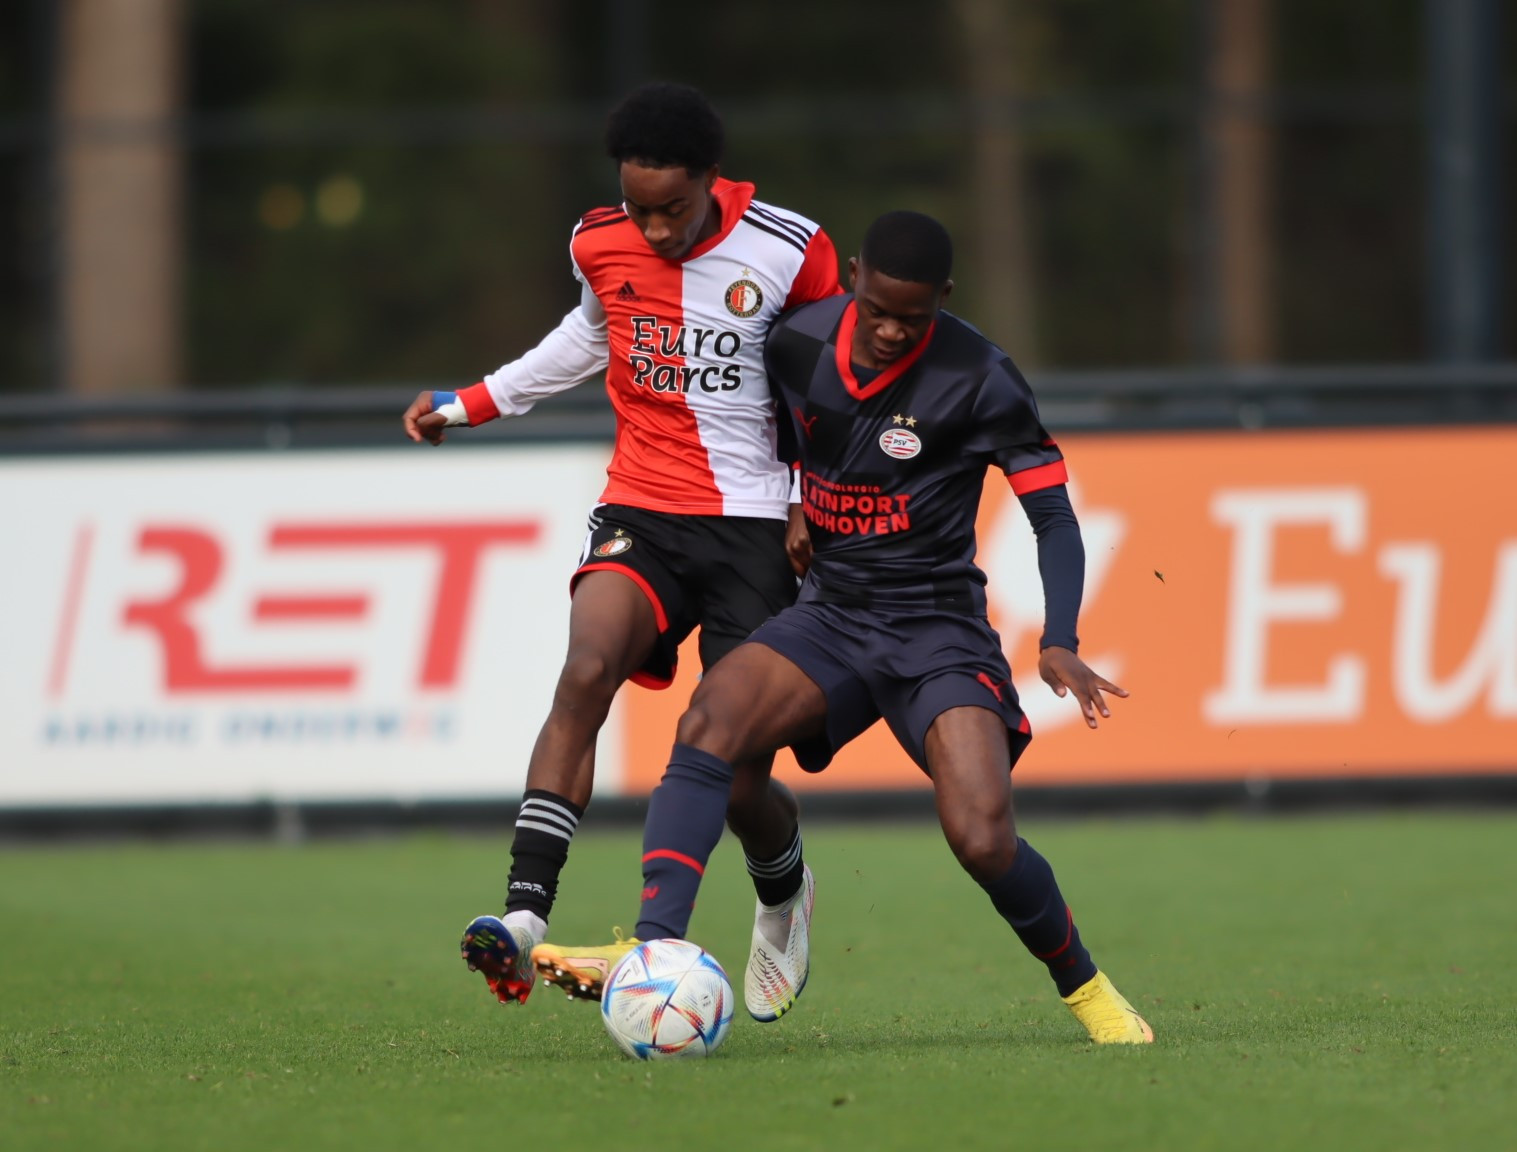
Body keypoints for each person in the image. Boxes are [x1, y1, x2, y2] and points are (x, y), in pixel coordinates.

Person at [533, 210, 1154, 1044]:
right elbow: (786, 433)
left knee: (979, 835)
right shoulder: (795, 341)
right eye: (879, 310)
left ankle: (1087, 990)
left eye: (915, 315)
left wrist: (1060, 639)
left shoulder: (981, 377)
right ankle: (652, 950)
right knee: (709, 722)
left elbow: (1053, 518)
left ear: (944, 299)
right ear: (852, 277)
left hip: (936, 630)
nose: (894, 330)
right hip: (829, 615)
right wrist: (797, 500)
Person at [402, 82, 841, 1011]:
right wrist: (471, 402)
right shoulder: (597, 241)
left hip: (758, 524)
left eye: (672, 211)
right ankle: (524, 916)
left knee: (733, 773)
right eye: (639, 209)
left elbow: (831, 385)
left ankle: (783, 887)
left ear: (714, 184)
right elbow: (588, 336)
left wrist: (814, 500)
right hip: (643, 503)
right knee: (585, 667)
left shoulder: (792, 249)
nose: (653, 231)